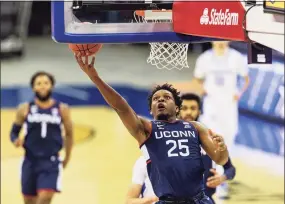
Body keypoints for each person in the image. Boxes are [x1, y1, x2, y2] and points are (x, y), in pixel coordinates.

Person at [75, 54, 229, 204]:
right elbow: (120, 106)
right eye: (156, 99)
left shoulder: (195, 127)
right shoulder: (146, 129)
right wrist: (95, 77)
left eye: (167, 97)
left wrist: (223, 149)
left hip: (199, 200)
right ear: (151, 110)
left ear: (177, 108)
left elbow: (220, 159)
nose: (160, 99)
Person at [125, 93, 236, 204]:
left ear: (199, 112)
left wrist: (222, 177)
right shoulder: (157, 150)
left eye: (193, 108)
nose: (188, 112)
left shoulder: (209, 142)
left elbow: (230, 168)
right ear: (176, 110)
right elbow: (129, 200)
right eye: (185, 108)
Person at [193, 41, 249, 198]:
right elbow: (197, 78)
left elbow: (246, 79)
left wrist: (239, 93)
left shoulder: (236, 57)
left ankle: (222, 177)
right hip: (211, 106)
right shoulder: (204, 58)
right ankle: (207, 174)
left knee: (228, 140)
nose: (220, 41)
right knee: (208, 140)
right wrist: (205, 90)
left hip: (229, 107)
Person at [10, 71, 73, 204]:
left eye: (46, 83)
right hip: (30, 161)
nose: (43, 86)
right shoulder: (25, 108)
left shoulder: (62, 109)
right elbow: (13, 132)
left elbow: (69, 134)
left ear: (52, 86)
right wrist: (16, 140)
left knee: (45, 198)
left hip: (51, 162)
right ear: (33, 87)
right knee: (29, 201)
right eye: (39, 83)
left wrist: (67, 157)